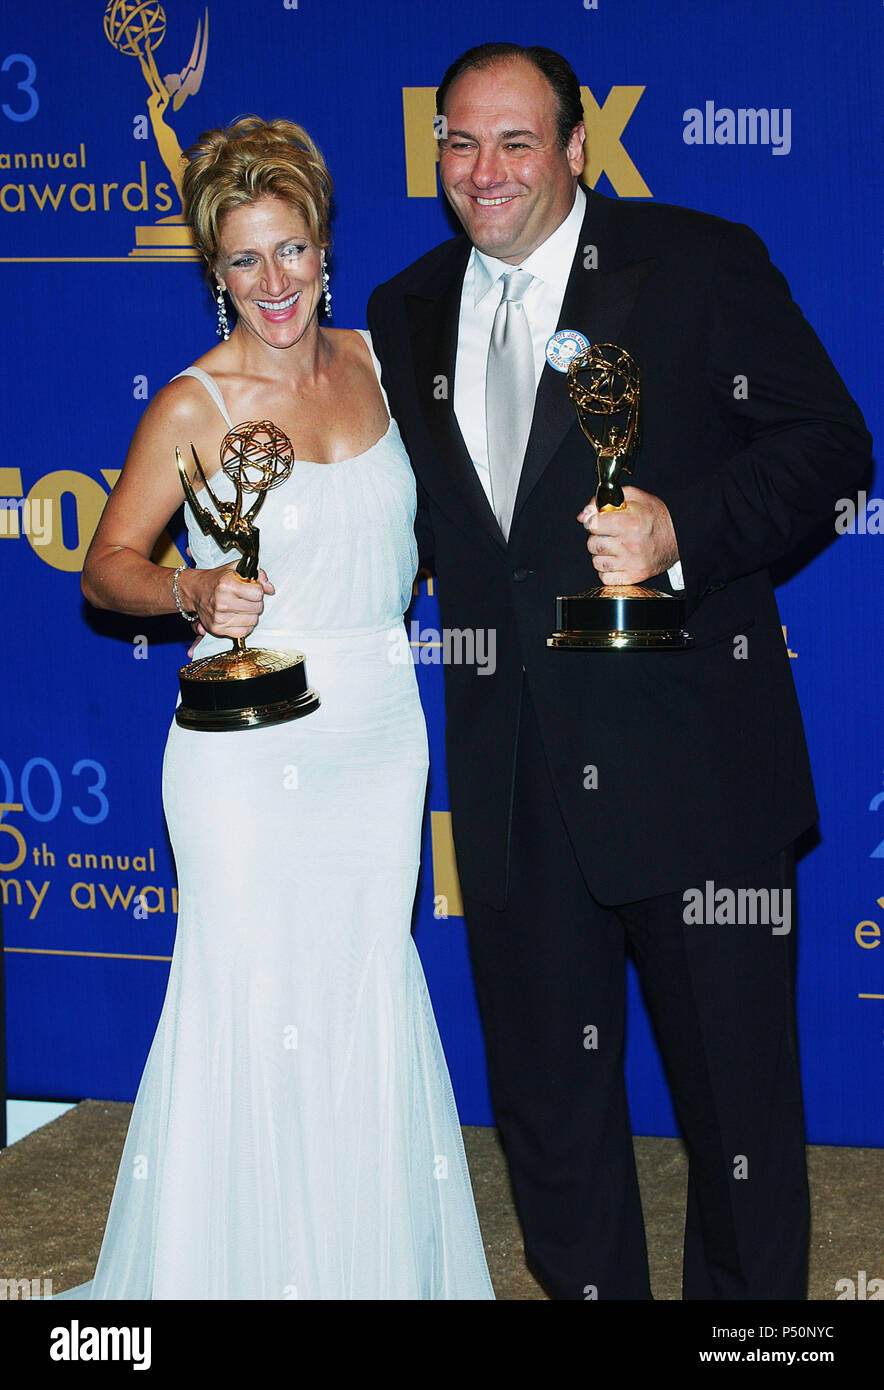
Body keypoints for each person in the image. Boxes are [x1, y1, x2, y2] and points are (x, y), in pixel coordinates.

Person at [366, 43, 873, 1300]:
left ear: (577, 149)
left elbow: (828, 442)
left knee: (737, 1125)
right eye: (459, 143)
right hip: (513, 790)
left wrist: (679, 532)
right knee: (550, 1120)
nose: (484, 172)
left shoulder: (696, 262)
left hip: (694, 769)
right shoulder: (405, 306)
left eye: (516, 141)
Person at [64, 116, 494, 1300]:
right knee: (248, 995)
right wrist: (189, 587)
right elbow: (107, 565)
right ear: (215, 270)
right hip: (244, 752)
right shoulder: (196, 405)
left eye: (291, 250)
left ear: (324, 248)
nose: (274, 285)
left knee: (362, 984)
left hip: (373, 725)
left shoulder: (382, 362)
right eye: (245, 260)